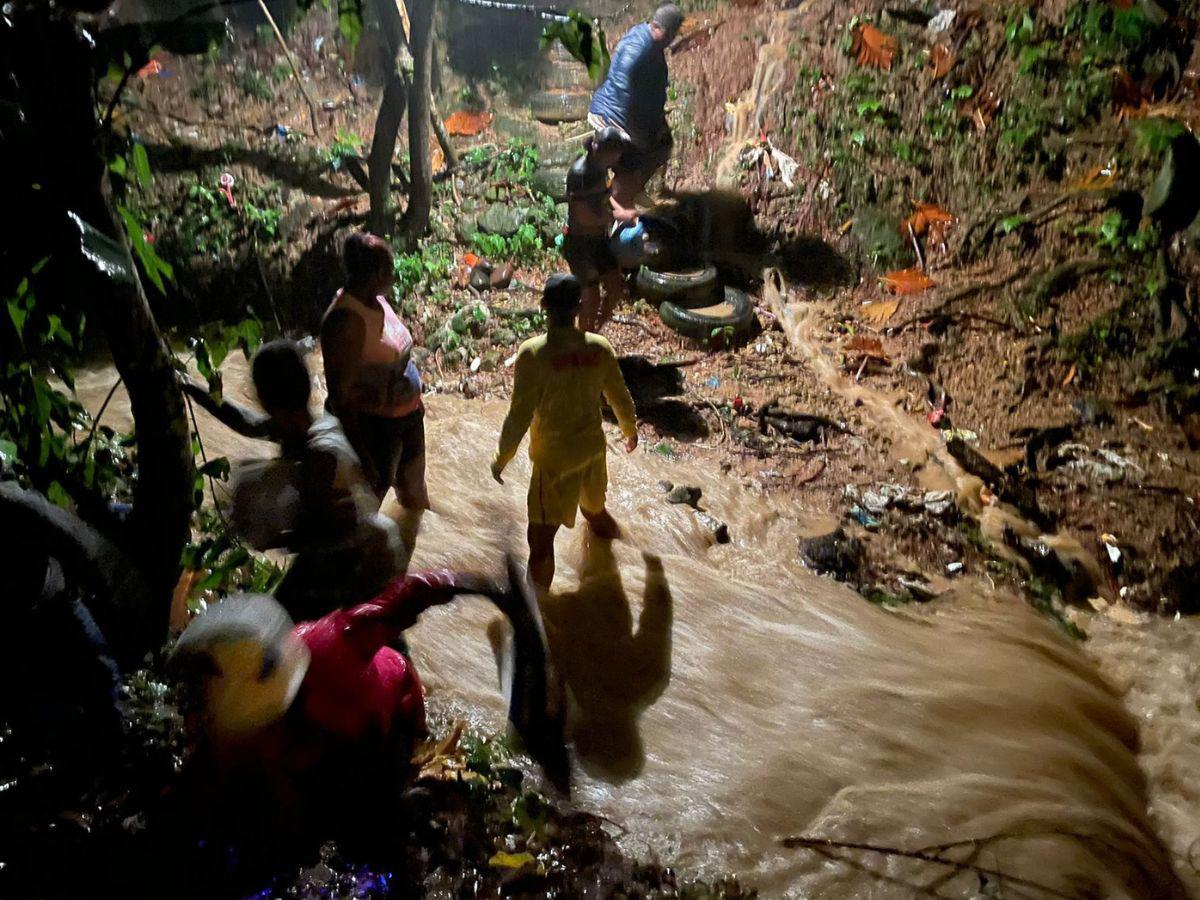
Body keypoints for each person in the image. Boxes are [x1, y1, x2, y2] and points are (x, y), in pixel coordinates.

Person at [181, 339, 400, 621]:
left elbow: (324, 532)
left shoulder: (319, 455)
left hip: (359, 564)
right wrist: (193, 388)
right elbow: (246, 422)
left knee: (287, 631)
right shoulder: (300, 427)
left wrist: (264, 535)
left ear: (263, 398)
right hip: (345, 554)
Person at [490, 274, 639, 593]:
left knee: (540, 542)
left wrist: (501, 457)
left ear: (543, 305)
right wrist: (629, 430)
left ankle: (537, 618)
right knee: (595, 513)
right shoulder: (599, 348)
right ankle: (634, 554)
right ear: (579, 306)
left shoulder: (533, 353)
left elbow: (519, 414)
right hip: (593, 453)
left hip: (554, 463)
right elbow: (620, 396)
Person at [321, 232, 430, 511]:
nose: (394, 274)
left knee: (415, 501)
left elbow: (395, 357)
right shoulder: (345, 321)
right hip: (377, 430)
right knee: (367, 508)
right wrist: (363, 458)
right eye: (390, 269)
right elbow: (340, 397)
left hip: (405, 419)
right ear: (375, 274)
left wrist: (415, 401)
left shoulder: (376, 300)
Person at [587, 4, 683, 207]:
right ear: (659, 28)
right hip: (616, 116)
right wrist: (643, 129)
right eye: (671, 34)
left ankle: (631, 189)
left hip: (623, 112)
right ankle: (621, 199)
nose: (671, 40)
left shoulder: (643, 35)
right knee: (645, 152)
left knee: (662, 143)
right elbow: (626, 90)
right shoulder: (640, 50)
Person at [564, 127, 639, 333]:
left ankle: (594, 332)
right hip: (580, 244)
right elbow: (584, 217)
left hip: (599, 241)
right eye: (616, 153)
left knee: (616, 288)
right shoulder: (580, 174)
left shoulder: (601, 168)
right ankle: (583, 340)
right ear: (603, 151)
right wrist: (618, 217)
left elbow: (604, 195)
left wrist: (620, 209)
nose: (618, 158)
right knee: (591, 300)